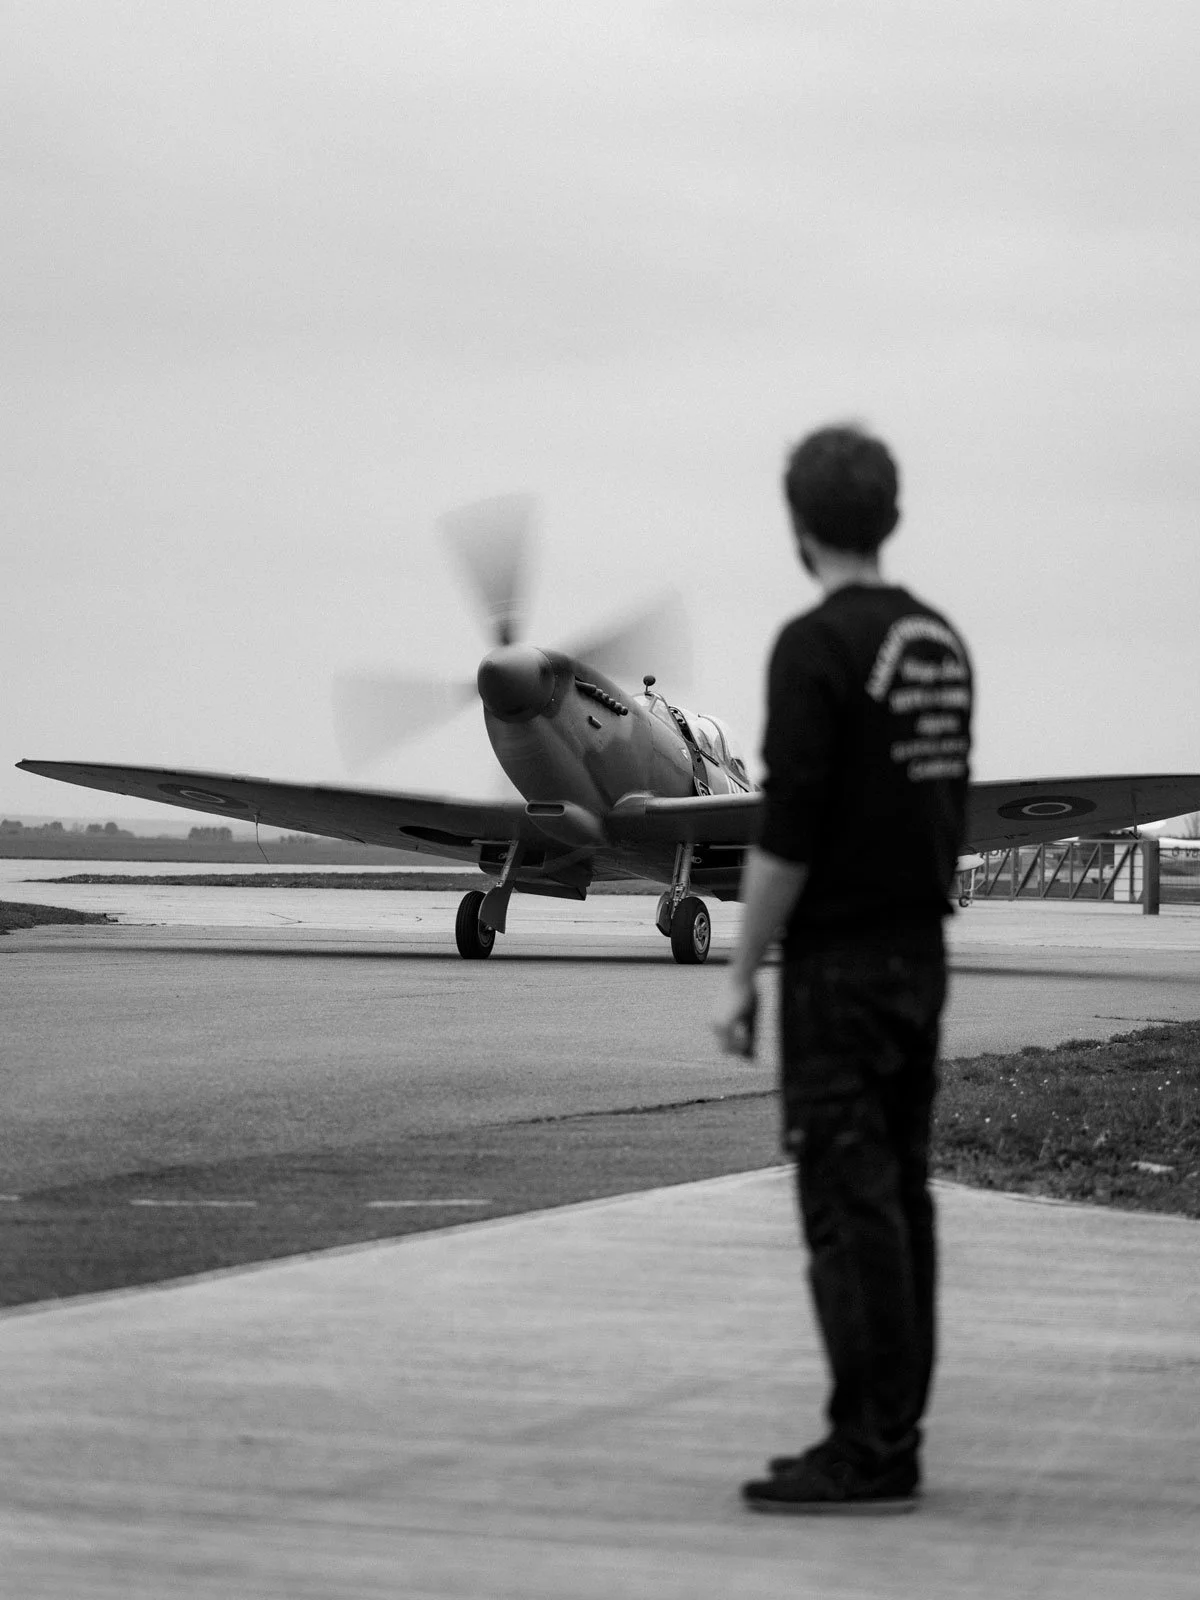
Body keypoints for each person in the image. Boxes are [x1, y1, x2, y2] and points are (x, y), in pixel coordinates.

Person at [714, 422, 973, 1515]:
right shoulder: (941, 641)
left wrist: (741, 970)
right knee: (900, 1196)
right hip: (921, 957)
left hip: (840, 969)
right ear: (893, 516)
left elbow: (787, 831)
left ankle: (868, 1449)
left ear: (799, 527)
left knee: (844, 1197)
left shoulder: (811, 646)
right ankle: (885, 1431)